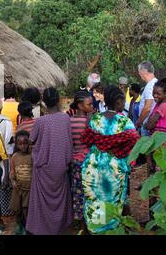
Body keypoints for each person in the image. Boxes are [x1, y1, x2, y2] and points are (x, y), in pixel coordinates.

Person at [81, 86, 140, 234]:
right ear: (119, 101)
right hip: (114, 169)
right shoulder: (125, 122)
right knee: (113, 200)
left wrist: (102, 144)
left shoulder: (95, 119)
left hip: (93, 167)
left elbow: (86, 140)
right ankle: (112, 229)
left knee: (95, 200)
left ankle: (96, 229)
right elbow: (134, 144)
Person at [26, 87, 73, 235]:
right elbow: (68, 141)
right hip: (61, 165)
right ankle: (59, 226)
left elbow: (31, 140)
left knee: (42, 202)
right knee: (59, 199)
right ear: (58, 100)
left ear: (44, 102)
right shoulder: (65, 118)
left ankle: (42, 228)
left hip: (44, 167)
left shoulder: (40, 121)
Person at [68, 90, 93, 234]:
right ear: (79, 105)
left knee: (78, 193)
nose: (91, 107)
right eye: (88, 104)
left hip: (75, 162)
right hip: (89, 162)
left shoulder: (69, 121)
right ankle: (90, 224)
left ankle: (80, 224)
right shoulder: (90, 121)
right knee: (91, 192)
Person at [9, 130, 33, 235]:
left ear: (29, 143)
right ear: (17, 144)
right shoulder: (14, 157)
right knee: (17, 209)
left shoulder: (32, 156)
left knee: (26, 209)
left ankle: (28, 228)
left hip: (29, 189)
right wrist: (13, 181)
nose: (23, 146)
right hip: (18, 189)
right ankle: (19, 226)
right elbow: (12, 172)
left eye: (25, 143)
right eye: (20, 144)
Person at [136, 61, 158, 136]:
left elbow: (148, 107)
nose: (139, 74)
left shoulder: (150, 86)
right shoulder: (156, 83)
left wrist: (139, 121)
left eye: (139, 72)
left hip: (147, 125)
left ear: (144, 71)